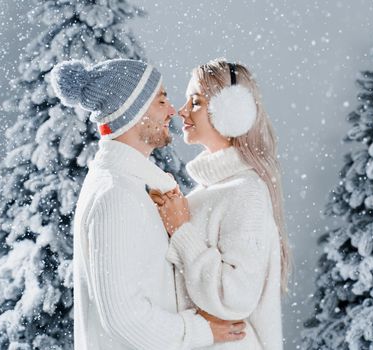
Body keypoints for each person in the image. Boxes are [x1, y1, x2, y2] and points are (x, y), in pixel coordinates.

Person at [51, 58, 246, 350]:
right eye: (161, 101)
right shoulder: (115, 195)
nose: (172, 111)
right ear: (132, 113)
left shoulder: (131, 187)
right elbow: (123, 319)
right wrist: (200, 330)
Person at [149, 58, 291, 350]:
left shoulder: (247, 191)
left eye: (196, 102)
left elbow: (234, 296)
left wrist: (182, 231)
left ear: (231, 113)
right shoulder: (213, 191)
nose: (182, 111)